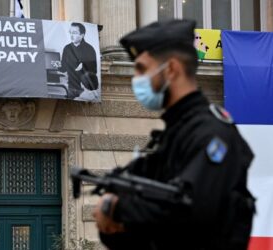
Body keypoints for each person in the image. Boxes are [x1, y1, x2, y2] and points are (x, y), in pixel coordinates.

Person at [92, 19, 255, 250]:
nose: (136, 79)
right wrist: (111, 225)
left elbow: (192, 211)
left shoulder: (212, 134)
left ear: (171, 69)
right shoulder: (171, 137)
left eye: (142, 69)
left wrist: (117, 208)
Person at [56, 22, 98, 99]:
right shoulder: (67, 48)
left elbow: (94, 71)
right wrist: (58, 66)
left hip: (85, 89)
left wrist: (84, 65)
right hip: (70, 87)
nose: (71, 36)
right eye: (70, 33)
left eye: (74, 33)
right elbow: (64, 68)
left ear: (82, 35)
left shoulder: (89, 49)